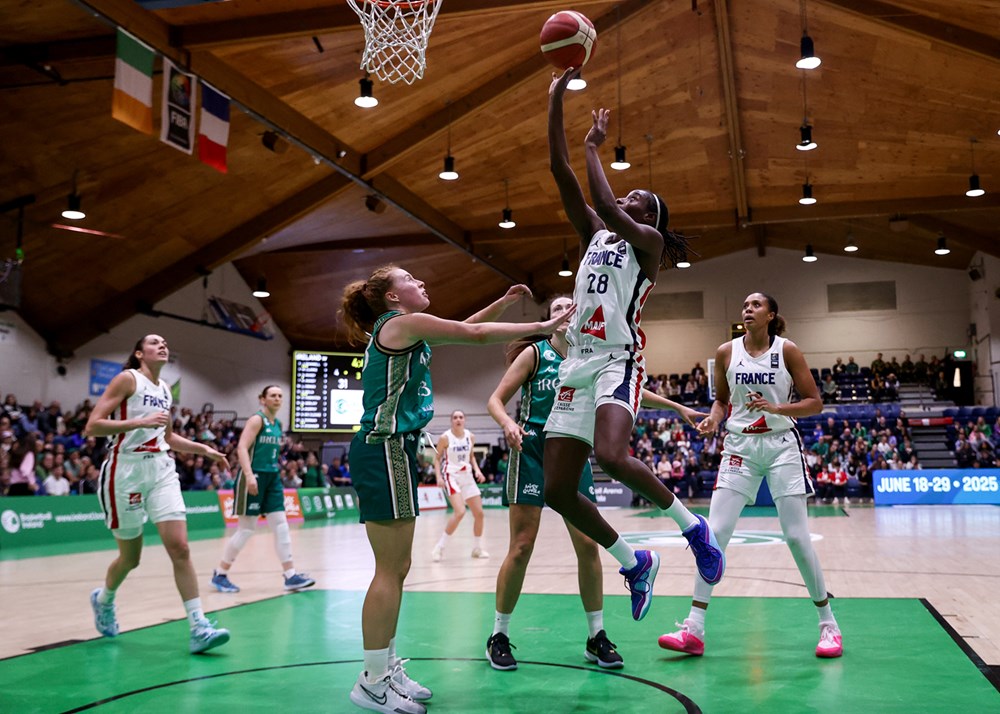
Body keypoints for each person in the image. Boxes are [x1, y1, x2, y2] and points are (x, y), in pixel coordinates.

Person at [340, 265, 575, 714]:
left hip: (397, 449)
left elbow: (465, 327)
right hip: (383, 447)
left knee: (400, 565)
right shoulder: (399, 324)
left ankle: (385, 668)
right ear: (393, 298)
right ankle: (371, 680)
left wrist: (505, 302)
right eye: (412, 279)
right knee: (389, 569)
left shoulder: (409, 330)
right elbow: (479, 334)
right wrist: (543, 326)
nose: (422, 282)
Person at [540, 66, 725, 627]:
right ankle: (634, 561)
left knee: (612, 457)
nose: (626, 197)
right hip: (577, 362)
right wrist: (555, 103)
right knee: (556, 491)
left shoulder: (646, 244)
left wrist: (596, 146)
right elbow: (560, 172)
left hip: (619, 360)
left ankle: (695, 531)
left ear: (651, 218)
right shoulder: (595, 235)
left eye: (637, 198)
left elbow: (604, 199)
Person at [485, 295, 707, 671]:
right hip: (532, 450)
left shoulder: (590, 357)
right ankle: (499, 634)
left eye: (569, 307)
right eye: (555, 309)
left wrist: (676, 406)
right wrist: (507, 423)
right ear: (549, 320)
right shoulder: (535, 354)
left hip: (572, 451)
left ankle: (596, 636)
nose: (562, 313)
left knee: (588, 545)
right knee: (521, 546)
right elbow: (495, 399)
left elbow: (629, 391)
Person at [658, 293, 843, 659]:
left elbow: (814, 402)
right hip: (739, 447)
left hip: (780, 445)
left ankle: (829, 626)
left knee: (796, 536)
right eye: (744, 305)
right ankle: (693, 628)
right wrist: (713, 417)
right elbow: (722, 401)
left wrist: (776, 407)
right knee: (714, 535)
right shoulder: (726, 352)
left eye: (756, 305)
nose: (747, 309)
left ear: (771, 315)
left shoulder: (787, 350)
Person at [85, 335, 230, 654]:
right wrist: (140, 420)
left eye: (165, 342)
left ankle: (198, 626)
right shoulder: (127, 379)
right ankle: (104, 599)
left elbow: (165, 436)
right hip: (125, 471)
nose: (162, 345)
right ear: (139, 353)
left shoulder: (165, 390)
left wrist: (202, 448)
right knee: (130, 558)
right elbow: (93, 426)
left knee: (180, 548)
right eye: (154, 343)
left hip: (161, 469)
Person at [211, 385, 316, 595]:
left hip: (272, 477)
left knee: (281, 526)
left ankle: (290, 575)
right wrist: (249, 476)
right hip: (253, 475)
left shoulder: (277, 423)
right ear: (262, 399)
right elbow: (241, 448)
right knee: (246, 529)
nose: (277, 399)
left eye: (280, 396)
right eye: (273, 395)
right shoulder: (256, 420)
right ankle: (220, 574)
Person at [430, 410, 489, 561]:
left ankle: (477, 548)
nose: (458, 419)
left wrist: (477, 471)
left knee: (479, 514)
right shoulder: (445, 438)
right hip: (451, 476)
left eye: (461, 417)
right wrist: (439, 477)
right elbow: (436, 459)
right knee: (460, 512)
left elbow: (471, 457)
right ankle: (439, 547)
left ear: (465, 420)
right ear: (451, 421)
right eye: (455, 417)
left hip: (467, 476)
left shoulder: (471, 436)